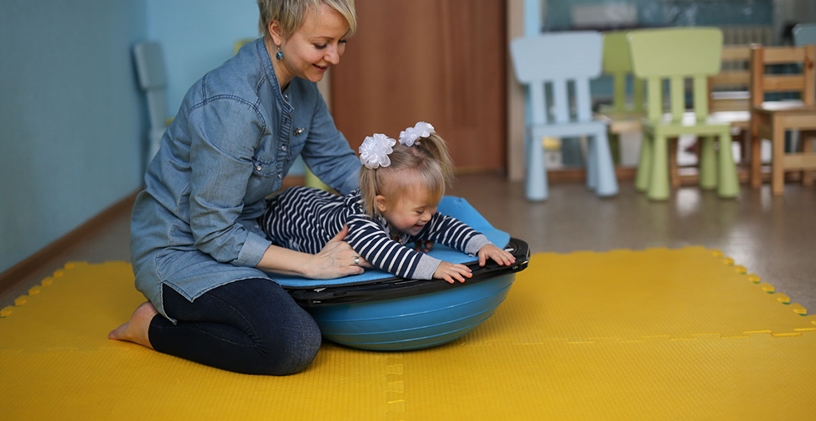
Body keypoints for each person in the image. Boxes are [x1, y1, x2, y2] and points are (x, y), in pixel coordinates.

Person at [109, 0, 366, 376]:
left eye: (342, 42)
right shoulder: (234, 105)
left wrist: (395, 197)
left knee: (346, 270)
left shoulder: (302, 88)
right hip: (184, 251)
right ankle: (151, 328)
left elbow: (336, 163)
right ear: (277, 31)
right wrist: (311, 265)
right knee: (293, 341)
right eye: (322, 44)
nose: (335, 57)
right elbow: (214, 232)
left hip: (247, 232)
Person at [259, 122, 516, 284]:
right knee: (265, 229)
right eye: (419, 210)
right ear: (382, 204)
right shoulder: (362, 224)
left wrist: (483, 246)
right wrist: (435, 267)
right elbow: (386, 254)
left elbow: (448, 227)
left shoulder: (414, 215)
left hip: (320, 204)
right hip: (291, 214)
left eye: (432, 206)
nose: (428, 216)